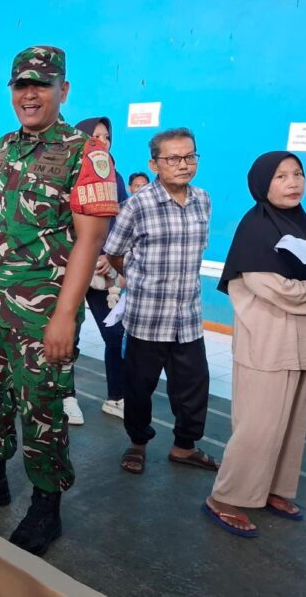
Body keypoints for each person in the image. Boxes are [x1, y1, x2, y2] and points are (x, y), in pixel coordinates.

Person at [0, 46, 119, 555]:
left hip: (44, 311)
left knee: (42, 407)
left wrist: (64, 316)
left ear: (64, 90)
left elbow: (90, 239)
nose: (30, 93)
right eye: (22, 85)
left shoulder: (87, 154)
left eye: (42, 83)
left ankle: (46, 503)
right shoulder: (0, 149)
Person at [104, 128, 219, 475]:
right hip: (147, 317)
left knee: (194, 388)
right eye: (173, 158)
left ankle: (185, 447)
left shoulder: (203, 200)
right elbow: (114, 252)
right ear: (154, 163)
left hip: (187, 317)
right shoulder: (137, 205)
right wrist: (140, 280)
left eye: (189, 156)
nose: (183, 164)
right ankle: (137, 443)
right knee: (140, 388)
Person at [203, 151, 306, 537]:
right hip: (268, 341)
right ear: (263, 183)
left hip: (300, 343)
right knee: (259, 425)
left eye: (298, 174)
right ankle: (226, 497)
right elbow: (276, 289)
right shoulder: (256, 227)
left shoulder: (299, 223)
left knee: (293, 423)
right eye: (281, 176)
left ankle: (272, 489)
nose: (293, 182)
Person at [70, 117, 129, 422]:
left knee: (115, 334)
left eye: (107, 136)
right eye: (95, 136)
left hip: (104, 270)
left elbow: (123, 222)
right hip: (71, 269)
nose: (102, 142)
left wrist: (111, 256)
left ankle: (116, 397)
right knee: (69, 333)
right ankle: (66, 397)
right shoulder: (68, 175)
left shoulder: (115, 178)